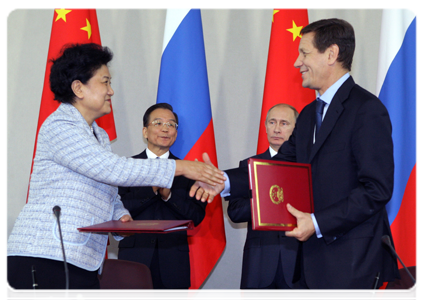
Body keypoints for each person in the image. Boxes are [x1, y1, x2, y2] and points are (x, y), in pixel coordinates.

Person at [196, 18, 399, 299]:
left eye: (304, 53)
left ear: (331, 54)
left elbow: (377, 190)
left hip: (349, 269)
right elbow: (278, 167)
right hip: (308, 270)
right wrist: (223, 180)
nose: (296, 62)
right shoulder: (307, 115)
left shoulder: (366, 110)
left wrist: (317, 223)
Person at [5, 43, 225, 300]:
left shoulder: (98, 134)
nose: (111, 91)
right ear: (79, 88)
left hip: (81, 260)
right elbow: (111, 169)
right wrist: (185, 166)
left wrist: (120, 215)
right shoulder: (61, 125)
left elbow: (107, 189)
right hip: (45, 256)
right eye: (105, 82)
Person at [118, 103, 207, 300]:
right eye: (158, 123)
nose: (165, 128)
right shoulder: (125, 168)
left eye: (172, 124)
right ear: (145, 131)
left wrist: (169, 196)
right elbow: (116, 210)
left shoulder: (189, 171)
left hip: (173, 266)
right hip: (134, 262)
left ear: (176, 133)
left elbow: (196, 216)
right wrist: (152, 190)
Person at [225, 103, 300, 300]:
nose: (276, 129)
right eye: (272, 122)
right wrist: (267, 202)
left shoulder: (307, 167)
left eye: (284, 123)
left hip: (299, 269)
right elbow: (235, 212)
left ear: (296, 129)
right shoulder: (249, 166)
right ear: (265, 126)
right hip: (258, 268)